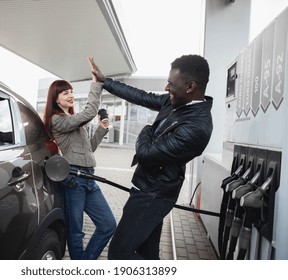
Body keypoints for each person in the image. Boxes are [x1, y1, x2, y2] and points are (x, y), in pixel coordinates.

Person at [88, 55, 213, 260]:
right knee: (147, 253)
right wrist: (106, 81)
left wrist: (146, 129)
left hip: (152, 197)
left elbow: (146, 155)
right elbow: (141, 96)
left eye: (171, 84)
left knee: (119, 254)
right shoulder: (176, 102)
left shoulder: (197, 127)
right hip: (146, 190)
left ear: (190, 86)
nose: (166, 88)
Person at [43, 60, 116, 260]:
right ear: (56, 99)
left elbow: (89, 149)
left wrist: (102, 129)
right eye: (65, 92)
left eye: (71, 91)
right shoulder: (58, 120)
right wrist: (96, 83)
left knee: (108, 224)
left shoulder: (75, 122)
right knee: (76, 231)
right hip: (73, 180)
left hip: (89, 178)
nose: (71, 95)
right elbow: (90, 112)